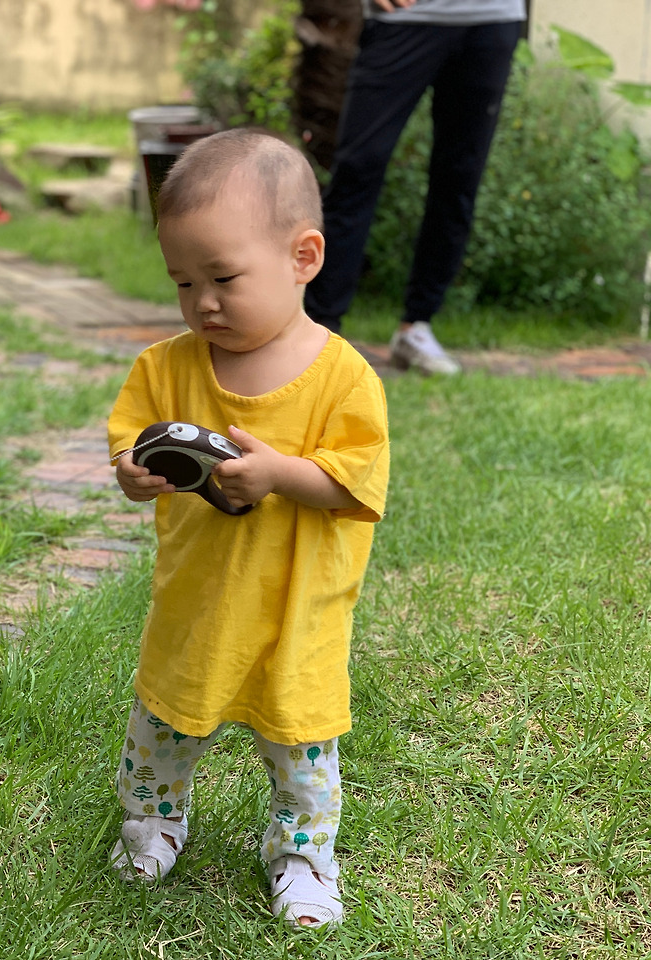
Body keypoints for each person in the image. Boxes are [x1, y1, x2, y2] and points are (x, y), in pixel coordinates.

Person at [107, 129, 389, 929]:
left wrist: (280, 474)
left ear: (304, 257)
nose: (203, 301)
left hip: (295, 611)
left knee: (302, 745)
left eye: (224, 278)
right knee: (163, 723)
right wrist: (132, 472)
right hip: (196, 600)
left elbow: (354, 484)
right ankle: (151, 821)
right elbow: (132, 443)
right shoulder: (167, 366)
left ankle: (302, 855)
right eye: (183, 281)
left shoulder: (343, 378)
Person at [304, 0, 527, 374]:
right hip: (404, 18)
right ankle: (320, 329)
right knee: (358, 167)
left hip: (491, 17)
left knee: (459, 179)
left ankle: (417, 327)